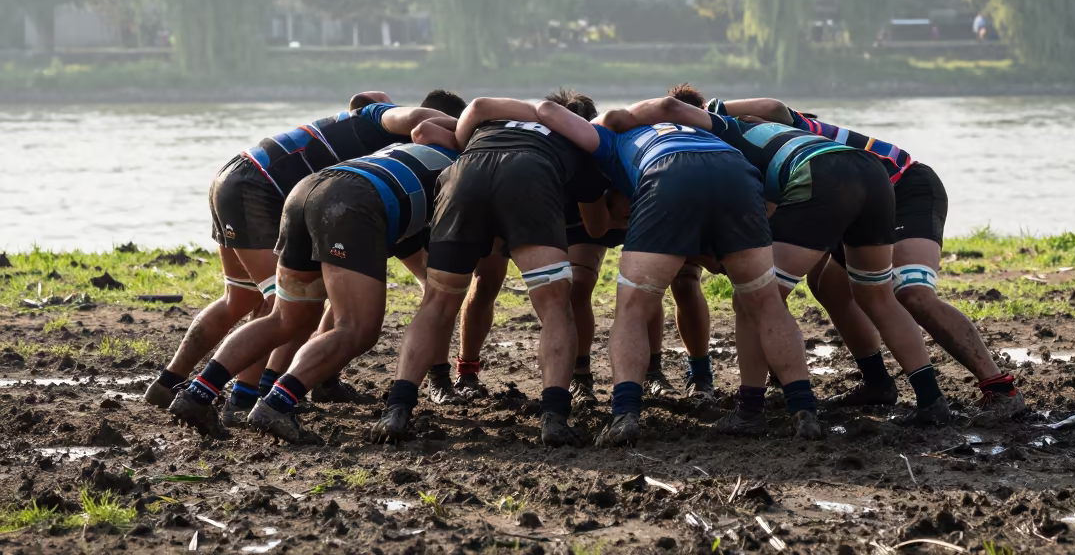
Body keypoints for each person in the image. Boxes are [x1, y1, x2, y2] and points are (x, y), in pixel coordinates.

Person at [616, 95, 951, 431]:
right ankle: (930, 398)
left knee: (753, 298)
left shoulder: (720, 132)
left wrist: (612, 121)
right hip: (871, 172)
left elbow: (671, 108)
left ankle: (749, 410)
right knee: (878, 296)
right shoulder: (766, 133)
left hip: (821, 173)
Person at [145, 90, 463, 421]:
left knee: (240, 298)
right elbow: (414, 121)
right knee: (283, 308)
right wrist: (473, 129)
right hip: (262, 187)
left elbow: (411, 256)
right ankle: (244, 399)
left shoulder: (391, 160)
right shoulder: (382, 119)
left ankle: (169, 382)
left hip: (241, 179)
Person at [709, 96, 1022, 420]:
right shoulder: (766, 155)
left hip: (903, 185)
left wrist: (714, 111)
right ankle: (877, 383)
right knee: (827, 283)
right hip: (843, 194)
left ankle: (999, 386)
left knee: (912, 294)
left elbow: (773, 107)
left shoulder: (778, 128)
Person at [531, 99, 821, 445]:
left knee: (633, 308)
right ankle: (803, 409)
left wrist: (603, 121)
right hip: (735, 172)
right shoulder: (699, 130)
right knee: (766, 302)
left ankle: (625, 414)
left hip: (667, 172)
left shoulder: (608, 137)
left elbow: (549, 110)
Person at [373, 94, 608, 447]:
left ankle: (397, 409)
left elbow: (464, 120)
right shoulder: (578, 136)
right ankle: (555, 417)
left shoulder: (493, 121)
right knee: (555, 306)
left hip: (466, 173)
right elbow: (596, 226)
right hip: (530, 174)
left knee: (436, 302)